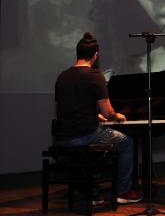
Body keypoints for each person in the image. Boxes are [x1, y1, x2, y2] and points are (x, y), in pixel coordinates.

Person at [54, 32, 143, 204]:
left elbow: (69, 108)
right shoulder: (95, 76)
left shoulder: (62, 77)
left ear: (77, 53)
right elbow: (109, 112)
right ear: (95, 55)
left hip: (63, 137)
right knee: (126, 142)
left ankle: (92, 192)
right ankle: (123, 191)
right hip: (86, 134)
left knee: (98, 145)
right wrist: (117, 115)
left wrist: (95, 115)